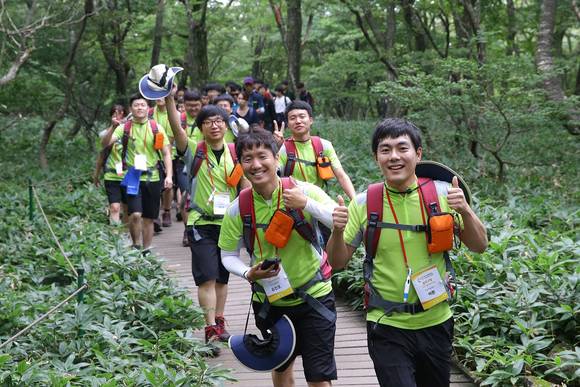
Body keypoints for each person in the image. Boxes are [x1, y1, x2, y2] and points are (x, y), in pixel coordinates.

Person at [326, 118, 488, 387]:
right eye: (385, 150)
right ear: (376, 157)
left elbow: (480, 245)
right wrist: (337, 231)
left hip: (436, 321)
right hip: (385, 324)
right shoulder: (365, 203)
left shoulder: (443, 194)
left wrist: (466, 211)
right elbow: (337, 262)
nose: (394, 157)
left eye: (402, 148)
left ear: (418, 153)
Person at [219, 130, 338, 387]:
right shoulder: (239, 207)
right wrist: (248, 273)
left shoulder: (304, 191)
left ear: (277, 158)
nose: (256, 164)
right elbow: (227, 255)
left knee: (319, 376)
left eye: (263, 156)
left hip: (314, 296)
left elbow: (340, 220)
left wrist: (305, 204)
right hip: (270, 301)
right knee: (281, 367)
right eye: (247, 158)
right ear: (240, 164)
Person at [164, 91, 249, 346]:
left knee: (223, 277)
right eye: (208, 122)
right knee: (207, 277)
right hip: (201, 223)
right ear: (200, 127)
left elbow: (245, 186)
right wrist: (168, 99)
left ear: (226, 125)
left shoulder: (237, 152)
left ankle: (220, 321)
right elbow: (176, 129)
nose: (214, 125)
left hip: (229, 224)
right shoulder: (193, 149)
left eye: (219, 121)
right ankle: (209, 327)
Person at [101, 93, 173, 252]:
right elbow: (105, 143)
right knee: (135, 215)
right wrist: (113, 127)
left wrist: (168, 176)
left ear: (148, 108)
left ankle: (146, 250)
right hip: (133, 177)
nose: (140, 108)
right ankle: (136, 245)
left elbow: (166, 153)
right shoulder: (123, 128)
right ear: (130, 109)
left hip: (153, 177)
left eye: (143, 105)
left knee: (149, 218)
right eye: (136, 105)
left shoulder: (156, 128)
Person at [93, 104, 128, 226]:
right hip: (111, 175)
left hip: (128, 175)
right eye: (114, 114)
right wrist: (96, 174)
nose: (117, 116)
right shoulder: (104, 134)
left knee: (127, 208)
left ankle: (128, 233)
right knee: (114, 207)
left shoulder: (130, 130)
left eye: (119, 113)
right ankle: (115, 236)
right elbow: (101, 155)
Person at [150, 98, 174, 228]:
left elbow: (170, 140)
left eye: (162, 95)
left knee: (168, 186)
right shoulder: (149, 113)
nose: (159, 98)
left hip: (170, 154)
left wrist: (166, 160)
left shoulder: (172, 113)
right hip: (153, 156)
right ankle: (155, 215)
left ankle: (167, 211)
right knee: (156, 187)